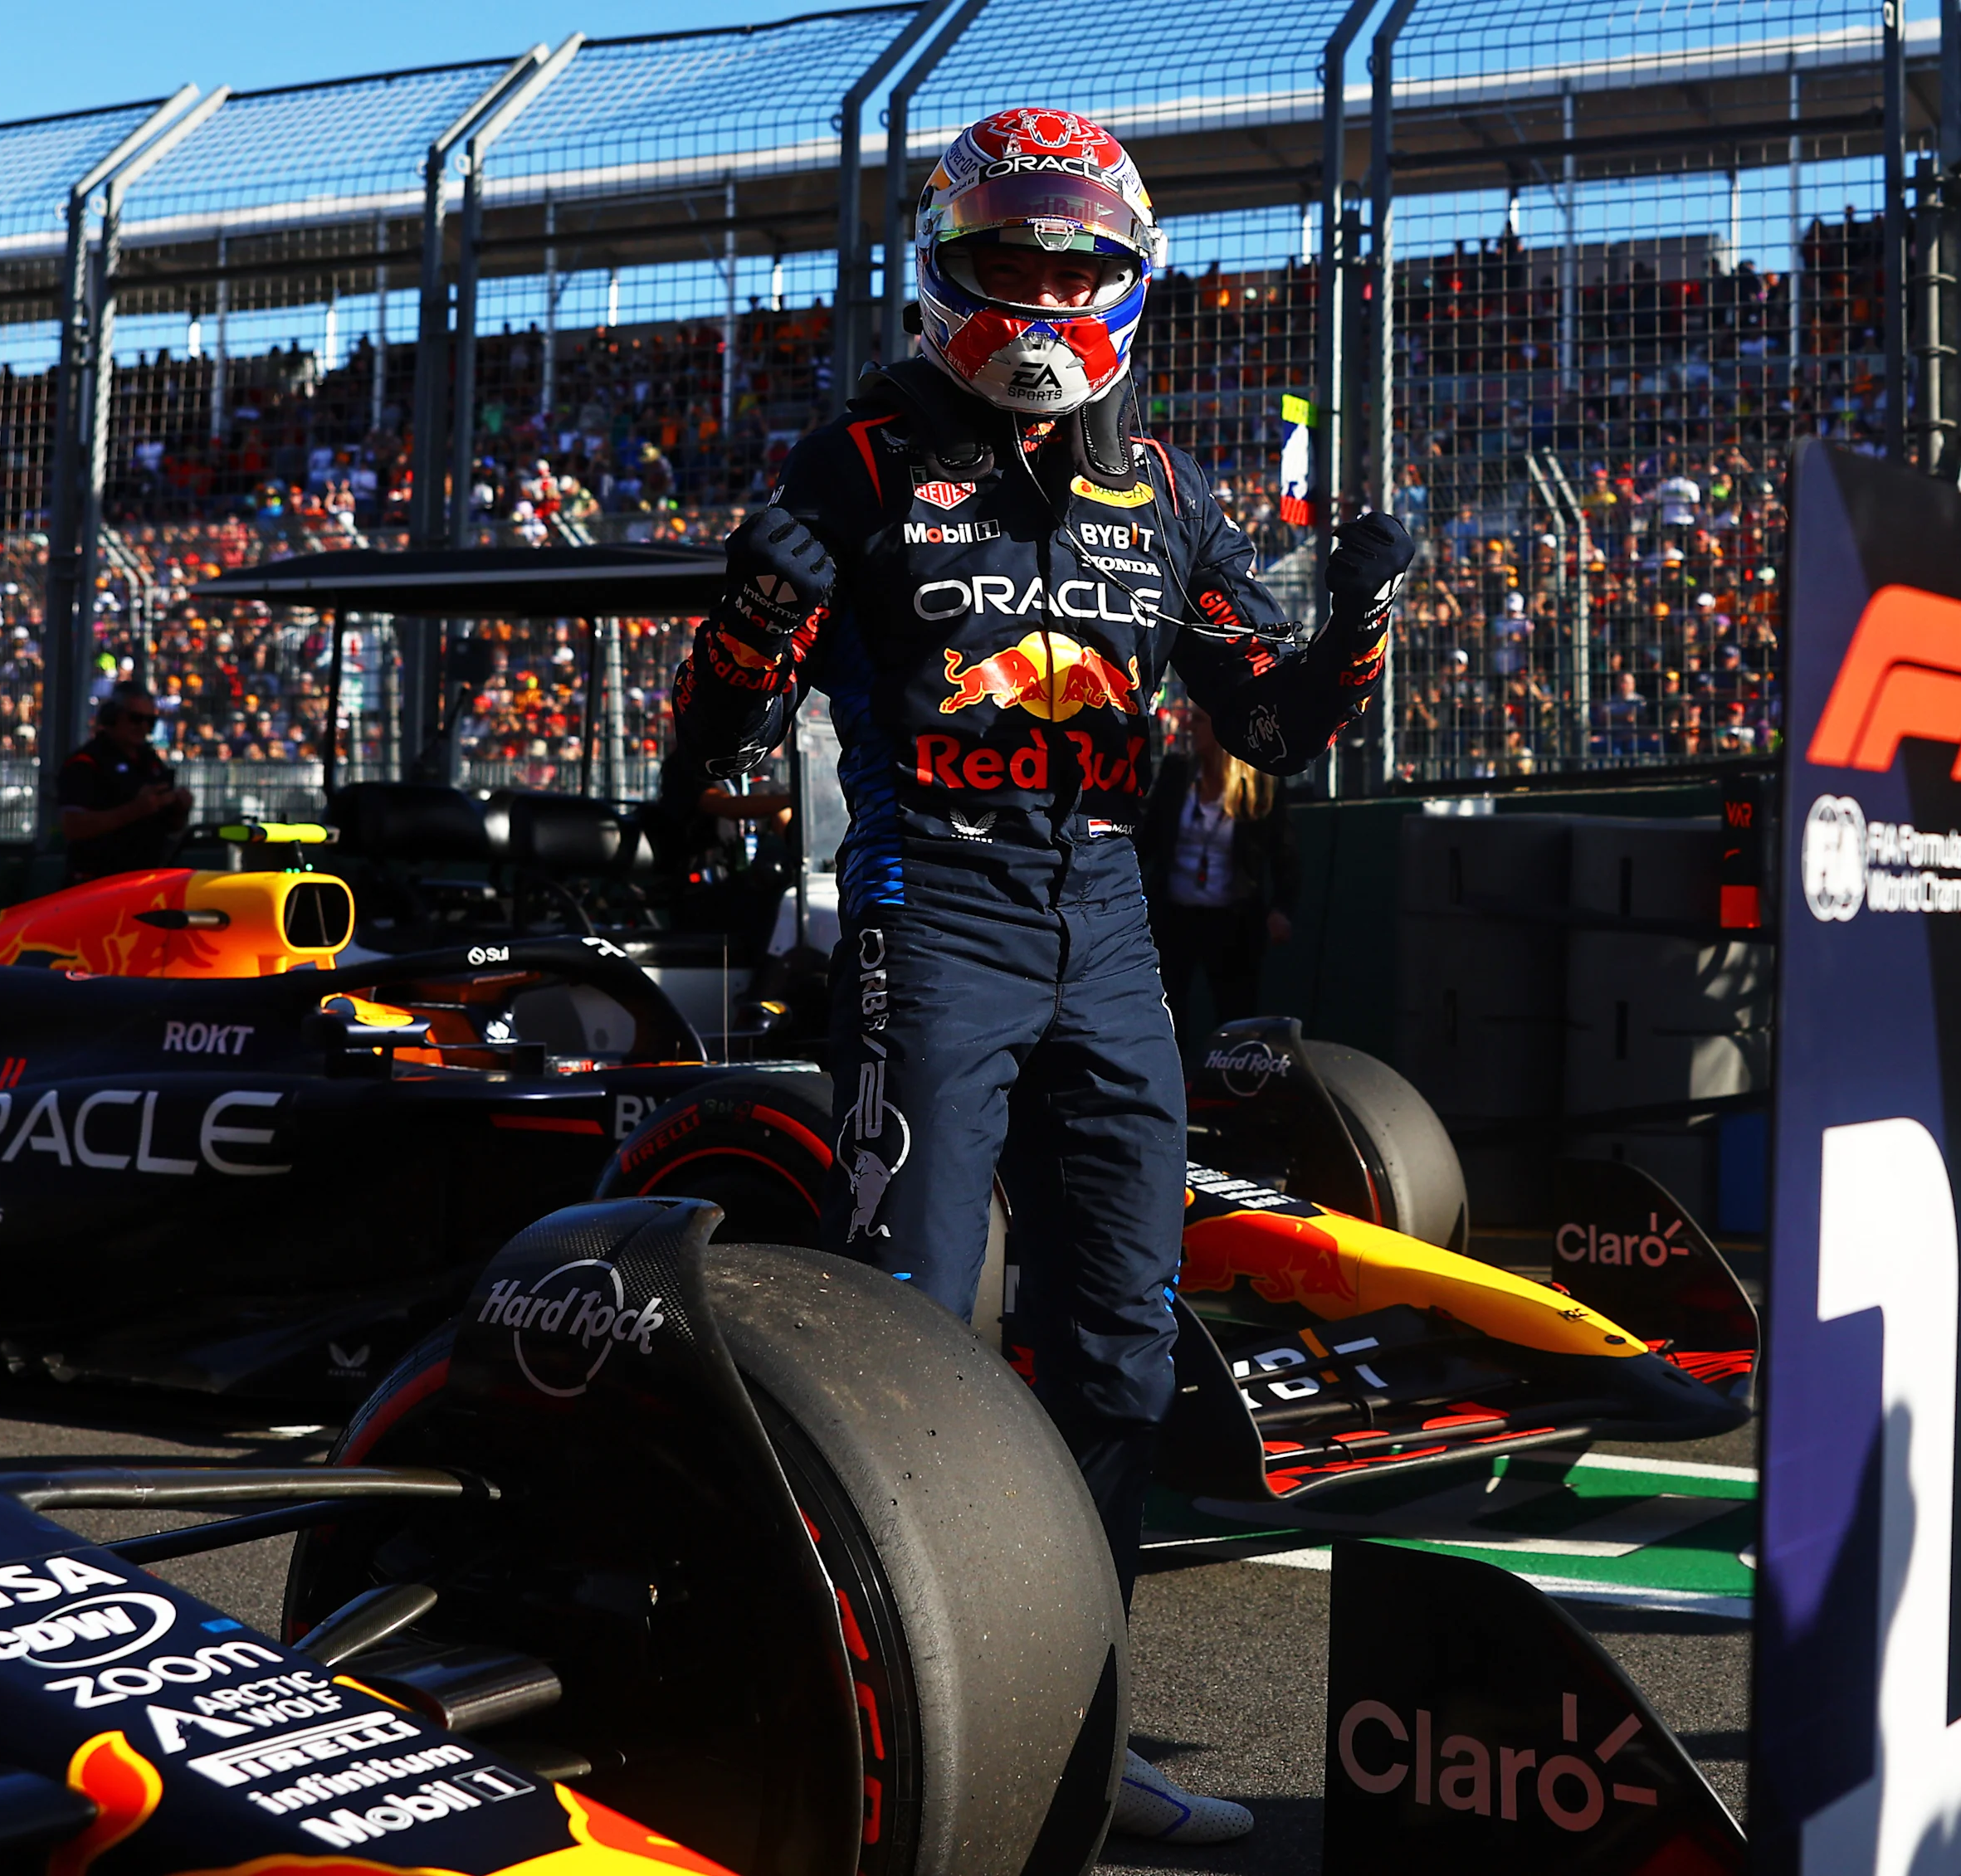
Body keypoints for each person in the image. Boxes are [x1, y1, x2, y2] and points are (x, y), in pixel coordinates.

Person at [667, 107, 1413, 1847]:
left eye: (1071, 262)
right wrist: (744, 630)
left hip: (1112, 922)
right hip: (932, 908)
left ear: (1125, 280)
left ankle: (1079, 1727)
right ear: (943, 270)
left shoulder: (1165, 487)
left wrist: (1356, 623)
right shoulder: (854, 454)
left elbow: (1270, 727)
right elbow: (707, 753)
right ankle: (874, 1729)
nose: (1038, 294)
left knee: (1121, 1346)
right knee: (910, 1328)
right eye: (1006, 258)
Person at [1141, 704, 1299, 1031]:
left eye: (1198, 721)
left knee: (1235, 1014)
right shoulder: (1177, 772)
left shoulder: (1261, 786)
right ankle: (1175, 1081)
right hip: (1175, 916)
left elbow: (1285, 855)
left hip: (1233, 920)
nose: (1188, 729)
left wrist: (1282, 909)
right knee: (1168, 1011)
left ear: (1222, 729)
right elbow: (1148, 841)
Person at [57, 682, 193, 882]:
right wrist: (135, 810)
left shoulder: (151, 762)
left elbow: (170, 826)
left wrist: (180, 808)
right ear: (113, 717)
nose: (143, 727)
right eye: (135, 718)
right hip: (97, 882)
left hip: (144, 879)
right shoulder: (87, 762)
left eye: (150, 721)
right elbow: (73, 827)